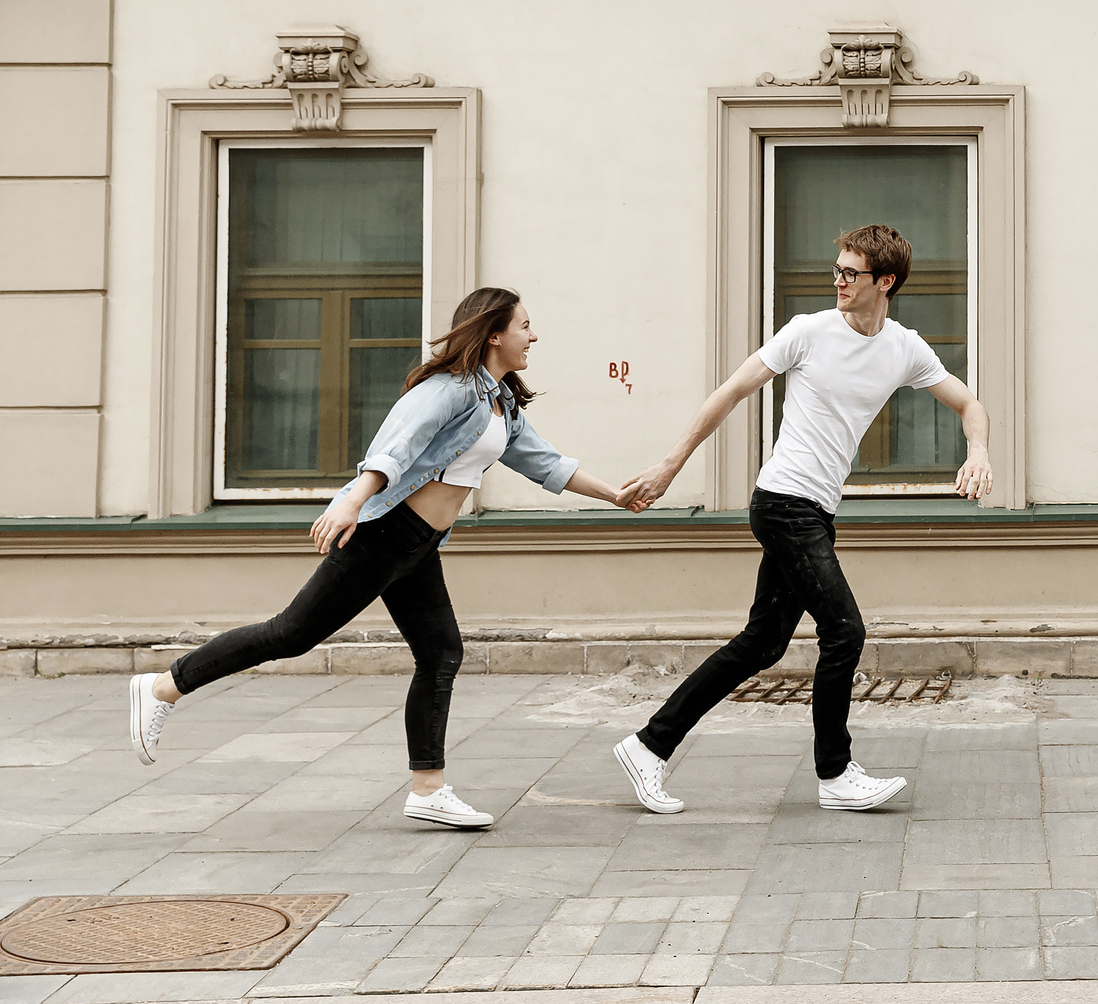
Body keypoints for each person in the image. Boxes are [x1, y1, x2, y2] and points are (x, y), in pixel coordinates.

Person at [127, 288, 638, 828]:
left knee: (441, 655)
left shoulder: (499, 403)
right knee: (291, 634)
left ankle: (427, 790)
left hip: (417, 547)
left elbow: (547, 464)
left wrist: (617, 495)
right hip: (382, 533)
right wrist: (351, 501)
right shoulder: (451, 390)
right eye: (525, 326)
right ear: (493, 333)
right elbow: (395, 445)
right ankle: (163, 686)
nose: (534, 336)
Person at [610, 223, 990, 815]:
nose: (837, 282)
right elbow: (731, 392)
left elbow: (969, 403)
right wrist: (669, 466)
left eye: (850, 273)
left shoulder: (904, 348)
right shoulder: (808, 333)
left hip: (813, 509)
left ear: (884, 282)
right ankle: (835, 774)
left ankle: (648, 745)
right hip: (785, 504)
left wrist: (980, 450)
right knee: (846, 632)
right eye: (835, 270)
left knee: (762, 642)